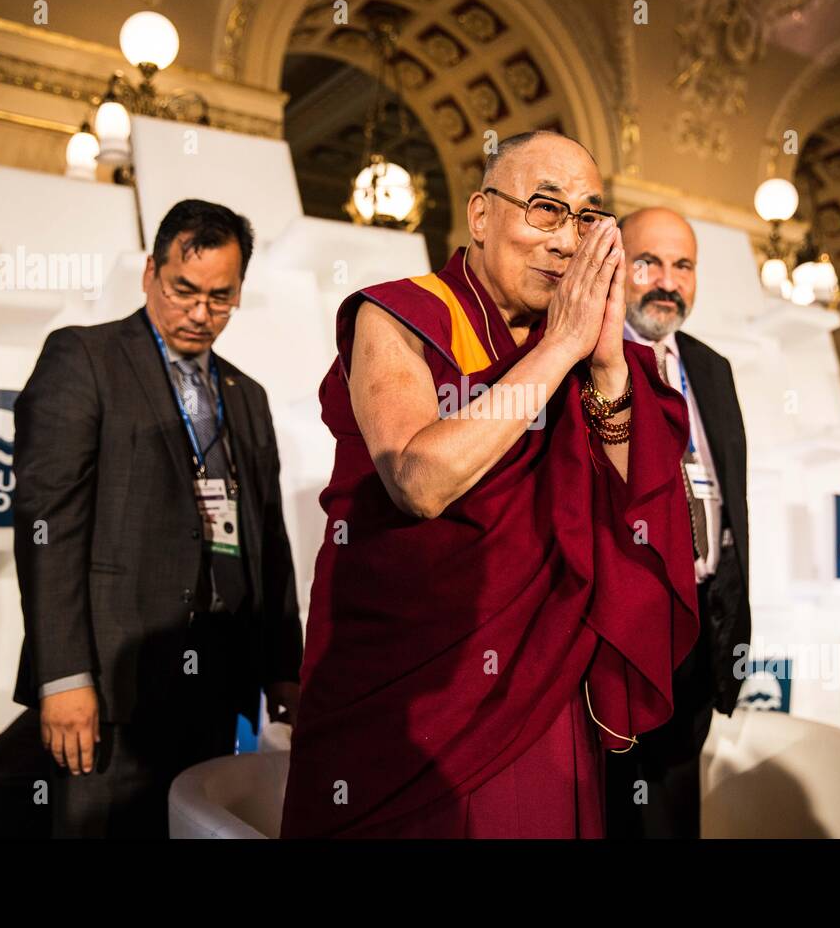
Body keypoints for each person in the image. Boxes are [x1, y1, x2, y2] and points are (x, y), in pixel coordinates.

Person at [280, 131, 699, 838]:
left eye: (586, 217)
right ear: (480, 215)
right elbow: (419, 480)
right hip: (407, 698)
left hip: (537, 688)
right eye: (545, 209)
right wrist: (561, 349)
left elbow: (641, 504)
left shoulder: (588, 348)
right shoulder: (397, 315)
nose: (567, 241)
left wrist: (603, 372)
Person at [11, 198, 303, 838]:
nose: (200, 314)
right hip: (112, 684)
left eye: (221, 297)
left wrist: (285, 665)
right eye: (184, 290)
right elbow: (48, 525)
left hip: (218, 683)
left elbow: (268, 540)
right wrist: (62, 677)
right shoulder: (85, 359)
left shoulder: (245, 396)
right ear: (150, 273)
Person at [604, 207, 751, 839]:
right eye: (649, 263)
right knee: (610, 814)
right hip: (615, 637)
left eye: (683, 265)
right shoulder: (586, 359)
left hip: (701, 632)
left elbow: (733, 505)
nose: (667, 281)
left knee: (674, 816)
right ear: (617, 266)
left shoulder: (711, 367)